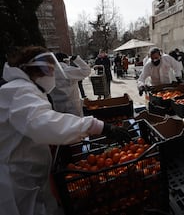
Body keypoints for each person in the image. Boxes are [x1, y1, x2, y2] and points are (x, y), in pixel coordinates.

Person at [0, 46, 131, 215]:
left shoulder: (23, 88)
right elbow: (43, 123)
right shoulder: (18, 91)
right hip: (17, 181)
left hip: (27, 173)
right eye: (49, 70)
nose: (52, 75)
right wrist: (100, 127)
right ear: (34, 69)